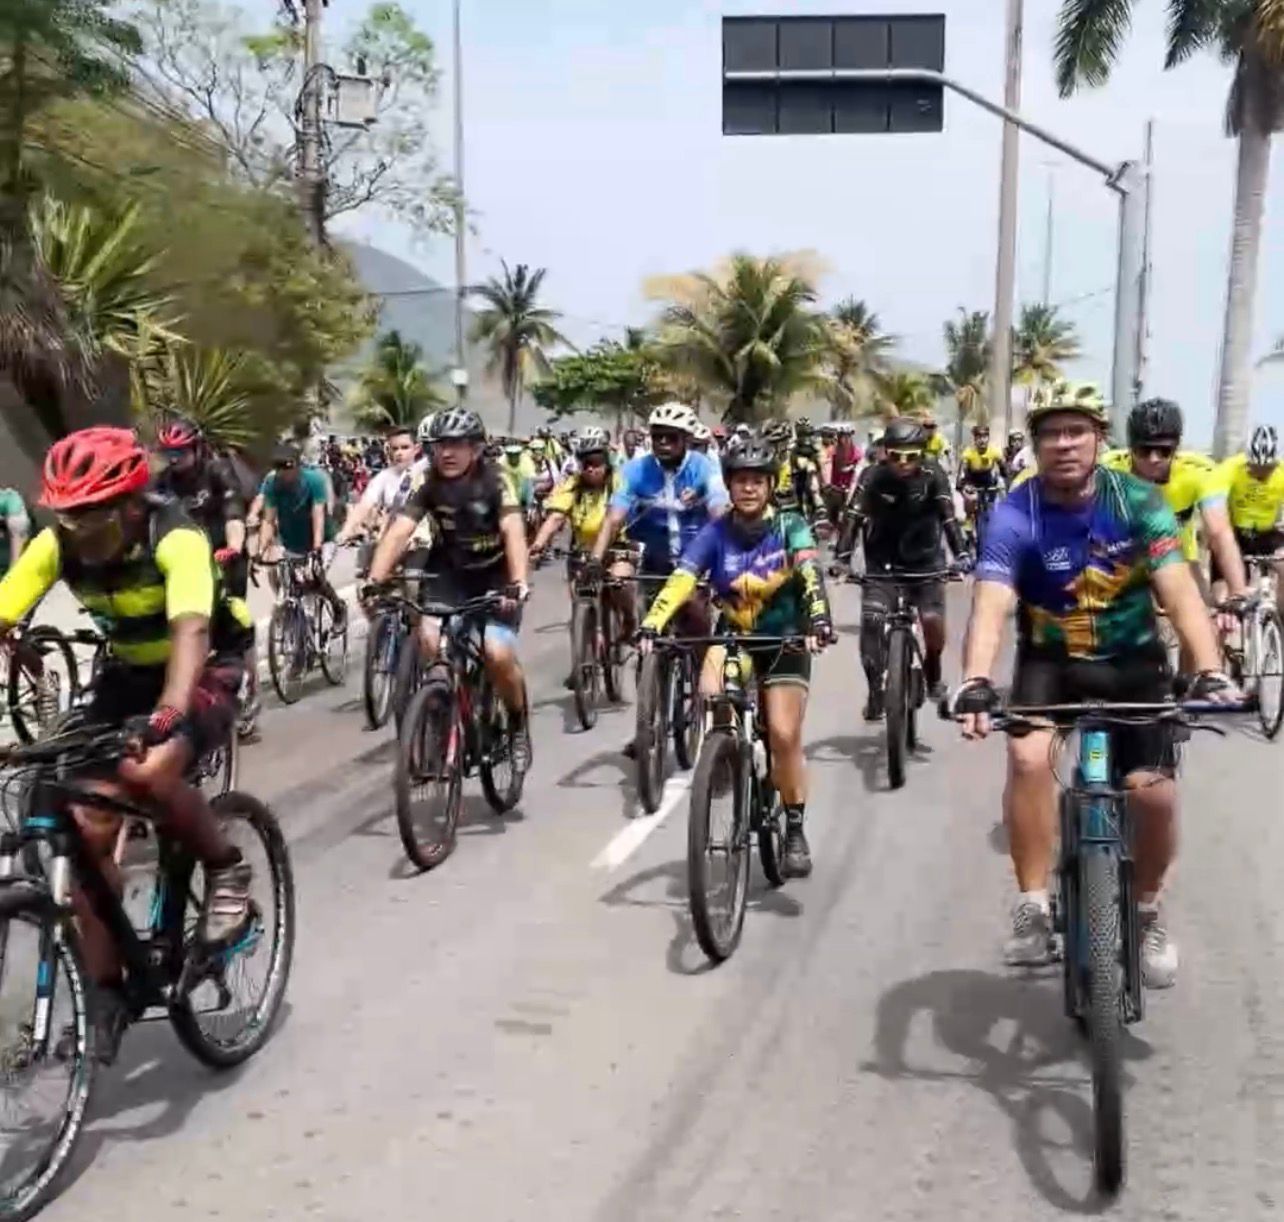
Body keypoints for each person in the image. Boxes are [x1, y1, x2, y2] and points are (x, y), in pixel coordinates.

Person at [950, 381, 1239, 985]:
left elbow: (1179, 589)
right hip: (1051, 664)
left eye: (1076, 430)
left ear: (1100, 439)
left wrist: (1210, 668)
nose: (1064, 444)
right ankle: (1033, 907)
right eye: (1051, 433)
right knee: (1028, 758)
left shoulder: (1138, 501)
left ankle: (1147, 910)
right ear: (1034, 444)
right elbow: (992, 602)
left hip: (1134, 662)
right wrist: (975, 679)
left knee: (1154, 796)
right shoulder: (1016, 512)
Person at [0, 428, 256, 1061]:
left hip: (208, 664)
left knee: (148, 772)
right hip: (128, 674)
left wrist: (169, 710)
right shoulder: (58, 542)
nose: (78, 528)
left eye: (91, 514)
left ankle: (226, 867)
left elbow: (191, 629)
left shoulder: (175, 536)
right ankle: (108, 989)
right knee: (83, 829)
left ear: (131, 503)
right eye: (67, 514)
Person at [639, 438, 833, 877]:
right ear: (728, 485)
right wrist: (652, 622)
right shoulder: (716, 531)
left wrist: (819, 619)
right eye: (740, 481)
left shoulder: (790, 525)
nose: (748, 489)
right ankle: (726, 755)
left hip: (785, 640)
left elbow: (809, 571)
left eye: (757, 481)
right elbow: (683, 577)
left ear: (771, 485)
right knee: (711, 692)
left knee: (783, 733)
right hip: (736, 636)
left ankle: (795, 827)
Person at [364, 408, 533, 773]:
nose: (447, 453)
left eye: (457, 445)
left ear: (476, 449)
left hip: (497, 576)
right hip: (449, 573)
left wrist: (519, 582)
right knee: (429, 638)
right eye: (440, 445)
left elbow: (513, 531)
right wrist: (373, 581)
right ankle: (444, 708)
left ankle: (518, 726)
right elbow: (399, 531)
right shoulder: (428, 482)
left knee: (497, 653)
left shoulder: (497, 480)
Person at [835, 417, 969, 718]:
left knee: (932, 622)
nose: (903, 464)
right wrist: (842, 559)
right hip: (881, 563)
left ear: (923, 454)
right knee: (872, 621)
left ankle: (933, 674)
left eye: (911, 456)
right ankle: (875, 691)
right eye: (896, 456)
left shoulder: (934, 474)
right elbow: (853, 517)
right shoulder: (872, 476)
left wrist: (961, 554)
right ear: (885, 452)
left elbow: (949, 518)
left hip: (926, 562)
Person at [151, 415, 258, 738]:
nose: (175, 460)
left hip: (223, 558)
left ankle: (248, 691)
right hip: (186, 563)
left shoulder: (218, 472)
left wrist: (234, 546)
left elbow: (234, 513)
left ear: (197, 449)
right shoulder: (162, 483)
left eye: (181, 452)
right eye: (169, 453)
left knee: (235, 621)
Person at [1102, 398, 1246, 605]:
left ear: (1176, 448)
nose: (1153, 459)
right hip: (1121, 559)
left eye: (1164, 451)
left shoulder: (1198, 472)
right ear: (1130, 448)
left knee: (1204, 615)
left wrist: (1238, 593)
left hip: (1178, 557)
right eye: (1143, 451)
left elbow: (1219, 531)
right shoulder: (1106, 470)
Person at [257, 442, 347, 631]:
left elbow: (318, 514)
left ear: (298, 466)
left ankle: (337, 606)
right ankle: (290, 612)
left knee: (313, 577)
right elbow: (268, 519)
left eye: (287, 467)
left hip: (323, 539)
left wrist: (316, 548)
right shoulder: (272, 483)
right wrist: (261, 550)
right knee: (278, 574)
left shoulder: (314, 480)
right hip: (292, 542)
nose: (283, 473)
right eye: (278, 468)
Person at [1215, 423, 1284, 606]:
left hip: (1267, 534)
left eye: (1267, 469)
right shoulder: (1231, 468)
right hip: (1237, 535)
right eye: (1255, 468)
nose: (1260, 474)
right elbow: (1212, 504)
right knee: (1223, 597)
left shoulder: (1282, 472)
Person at [334, 425, 423, 550]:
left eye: (405, 447)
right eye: (395, 448)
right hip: (391, 539)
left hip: (420, 542)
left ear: (416, 449)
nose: (399, 453)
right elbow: (365, 504)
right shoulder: (384, 477)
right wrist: (347, 530)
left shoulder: (426, 474)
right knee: (366, 555)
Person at [0, 483, 30, 578]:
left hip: (15, 518)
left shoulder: (9, 498)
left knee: (16, 553)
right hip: (17, 516)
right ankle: (15, 574)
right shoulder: (10, 495)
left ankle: (14, 575)